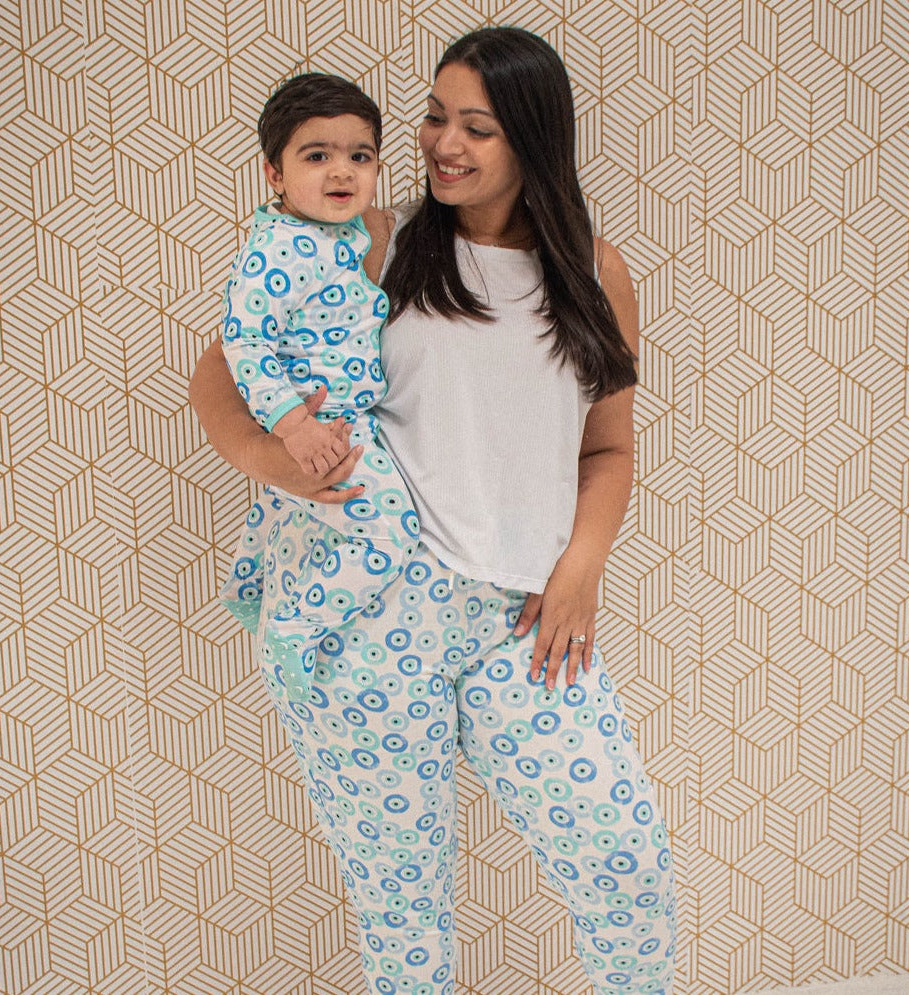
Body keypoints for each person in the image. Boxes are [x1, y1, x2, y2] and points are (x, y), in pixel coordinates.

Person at [191, 26, 677, 995]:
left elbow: (608, 447)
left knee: (622, 856)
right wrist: (284, 466)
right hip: (375, 615)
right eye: (432, 117)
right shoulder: (374, 243)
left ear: (532, 138)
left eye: (476, 128)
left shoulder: (596, 271)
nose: (442, 145)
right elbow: (220, 377)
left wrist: (579, 567)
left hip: (523, 617)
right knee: (402, 907)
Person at [218, 72, 419, 696]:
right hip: (322, 422)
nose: (342, 172)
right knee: (389, 530)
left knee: (283, 502)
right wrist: (294, 425)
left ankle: (247, 591)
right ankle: (296, 623)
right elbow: (244, 342)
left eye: (360, 156)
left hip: (344, 416)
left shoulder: (342, 231)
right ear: (274, 174)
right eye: (316, 156)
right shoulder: (279, 248)